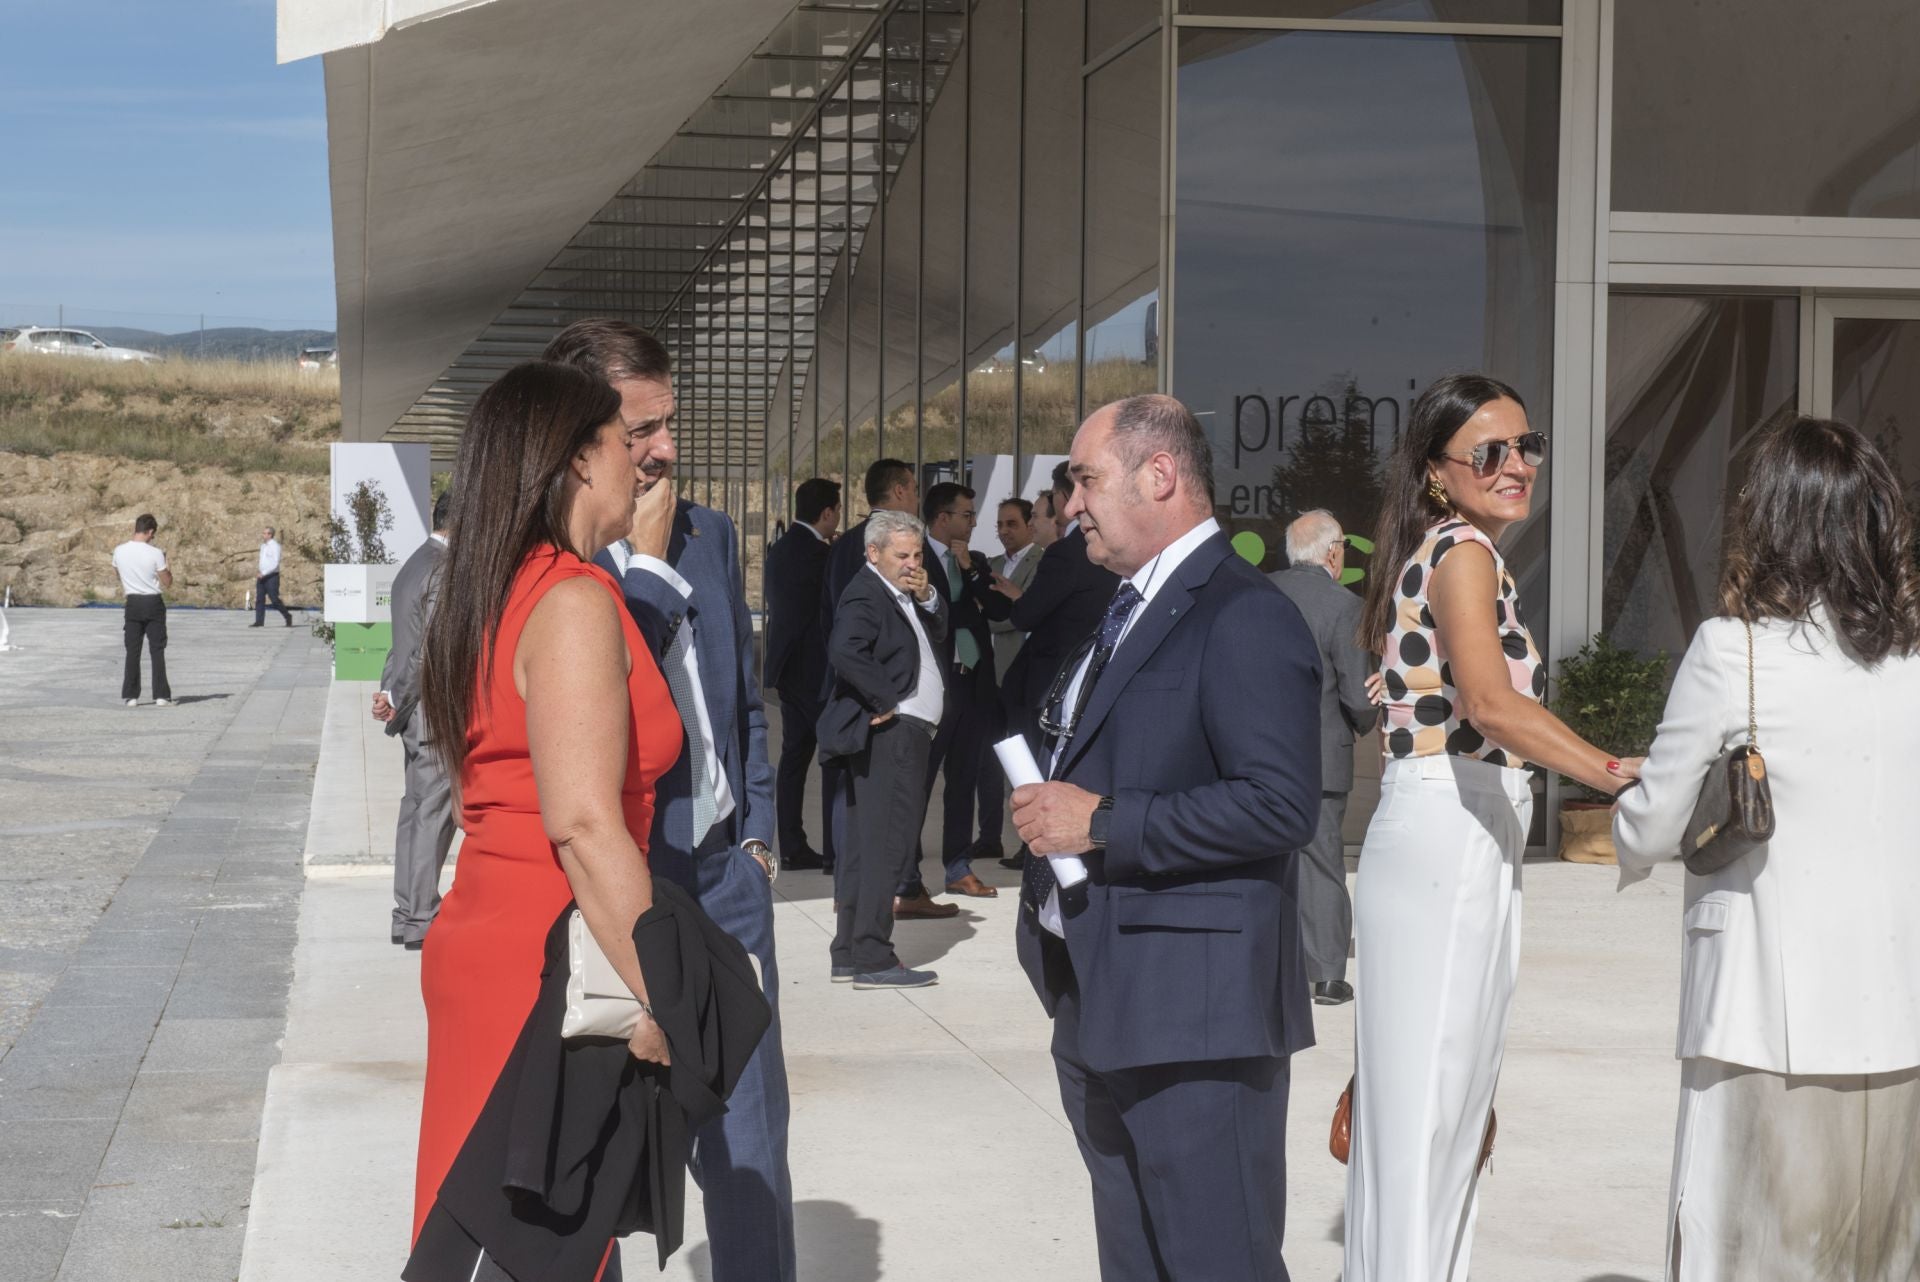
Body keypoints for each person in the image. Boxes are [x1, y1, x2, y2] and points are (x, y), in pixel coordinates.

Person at [1010, 394, 1321, 1282]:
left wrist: (1100, 823)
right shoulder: (1126, 608)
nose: (1071, 504)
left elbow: (1278, 806)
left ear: (1160, 475)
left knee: (1218, 1262)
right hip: (1101, 997)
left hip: (1196, 1022)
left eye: (1085, 479)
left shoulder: (1242, 613)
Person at [1613, 416, 1920, 1282]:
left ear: (1772, 521)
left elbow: (1651, 824)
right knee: (1883, 1256)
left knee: (1748, 1253)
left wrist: (1629, 794)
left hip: (1763, 1016)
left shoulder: (1732, 652)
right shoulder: (1914, 664)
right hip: (1899, 1014)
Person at [1345, 373, 1630, 1282]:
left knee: (1437, 1106)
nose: (1517, 467)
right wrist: (1618, 775)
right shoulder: (1462, 551)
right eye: (1490, 453)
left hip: (1452, 828)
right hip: (1449, 828)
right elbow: (1489, 704)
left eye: (1526, 447)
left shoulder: (1441, 550)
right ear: (1438, 472)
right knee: (1435, 1108)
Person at [411, 360, 676, 1280]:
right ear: (574, 461)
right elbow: (583, 824)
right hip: (549, 960)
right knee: (521, 1245)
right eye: (623, 441)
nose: (644, 462)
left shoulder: (501, 584)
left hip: (504, 938)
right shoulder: (568, 599)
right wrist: (664, 989)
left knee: (495, 1233)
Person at [546, 318, 795, 1282]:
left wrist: (761, 837)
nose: (667, 449)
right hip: (620, 890)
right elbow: (608, 715)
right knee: (607, 1146)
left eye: (671, 422)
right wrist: (640, 570)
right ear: (582, 432)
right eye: (642, 428)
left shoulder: (712, 535)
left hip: (728, 875)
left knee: (751, 1142)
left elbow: (740, 704)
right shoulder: (558, 564)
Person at [817, 509, 948, 989]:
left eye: (917, 553)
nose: (912, 562)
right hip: (892, 735)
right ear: (874, 553)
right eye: (902, 555)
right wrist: (885, 700)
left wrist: (928, 595)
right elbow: (844, 649)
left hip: (902, 733)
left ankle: (850, 951)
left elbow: (932, 637)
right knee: (887, 845)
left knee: (864, 846)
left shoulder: (898, 590)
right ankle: (872, 956)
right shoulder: (866, 592)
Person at [1269, 509, 1377, 1006]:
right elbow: (1357, 695)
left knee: (1261, 855)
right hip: (1320, 757)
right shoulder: (1345, 605)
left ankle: (1269, 963)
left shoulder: (1258, 593)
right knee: (1322, 861)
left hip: (1255, 752)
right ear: (1333, 552)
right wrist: (1366, 717)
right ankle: (1328, 975)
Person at [992, 462, 1120, 869]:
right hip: (1091, 678)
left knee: (1040, 768)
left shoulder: (1064, 555)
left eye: (1035, 516)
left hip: (1053, 683)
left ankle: (1039, 848)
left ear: (1063, 505)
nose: (1031, 524)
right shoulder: (1109, 550)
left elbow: (1028, 615)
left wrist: (1016, 596)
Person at [916, 481, 1009, 898]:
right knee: (920, 779)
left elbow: (999, 610)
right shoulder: (915, 559)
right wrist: (963, 605)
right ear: (942, 519)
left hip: (973, 684)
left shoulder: (977, 560)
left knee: (964, 779)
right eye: (967, 515)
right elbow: (931, 614)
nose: (974, 523)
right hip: (935, 685)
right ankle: (906, 873)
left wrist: (970, 569)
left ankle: (958, 867)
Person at [373, 489, 453, 950]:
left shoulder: (415, 563)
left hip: (416, 713)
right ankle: (421, 915)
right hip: (433, 713)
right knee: (431, 816)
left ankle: (407, 912)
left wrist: (389, 693)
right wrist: (399, 697)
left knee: (415, 812)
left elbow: (400, 643)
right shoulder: (442, 571)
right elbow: (428, 653)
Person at [762, 478, 841, 873]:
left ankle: (792, 844)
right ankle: (833, 849)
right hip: (815, 673)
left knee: (794, 760)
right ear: (827, 513)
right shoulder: (820, 555)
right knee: (832, 758)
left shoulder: (779, 550)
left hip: (789, 671)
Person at [112, 514, 174, 708]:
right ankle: (161, 695)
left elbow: (117, 573)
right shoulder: (155, 553)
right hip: (153, 602)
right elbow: (168, 582)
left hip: (132, 602)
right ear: (150, 532)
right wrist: (167, 564)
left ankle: (131, 696)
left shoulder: (119, 551)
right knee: (157, 649)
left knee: (133, 650)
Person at [251, 525, 294, 627]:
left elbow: (275, 563)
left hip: (271, 577)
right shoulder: (263, 546)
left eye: (265, 533)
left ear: (270, 534)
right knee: (260, 599)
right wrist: (260, 571)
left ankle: (287, 615)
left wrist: (264, 573)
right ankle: (259, 621)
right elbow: (263, 561)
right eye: (263, 533)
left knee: (274, 599)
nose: (263, 535)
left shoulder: (275, 546)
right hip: (262, 576)